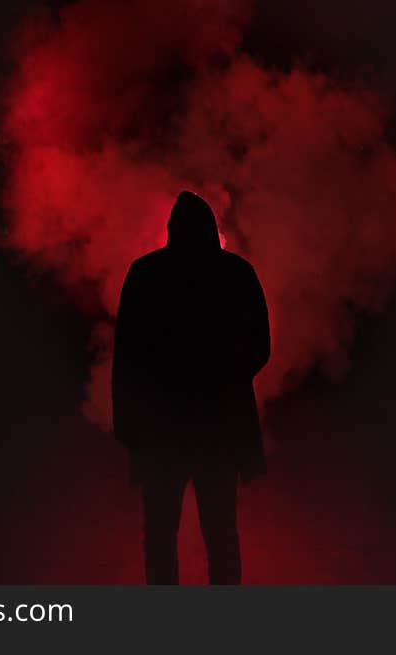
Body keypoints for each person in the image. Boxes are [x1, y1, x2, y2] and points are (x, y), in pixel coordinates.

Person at [112, 190, 270, 584]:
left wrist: (128, 424)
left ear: (171, 230)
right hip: (218, 429)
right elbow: (260, 346)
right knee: (220, 533)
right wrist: (225, 379)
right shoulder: (238, 273)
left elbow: (127, 355)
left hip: (160, 430)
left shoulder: (144, 274)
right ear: (211, 230)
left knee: (160, 536)